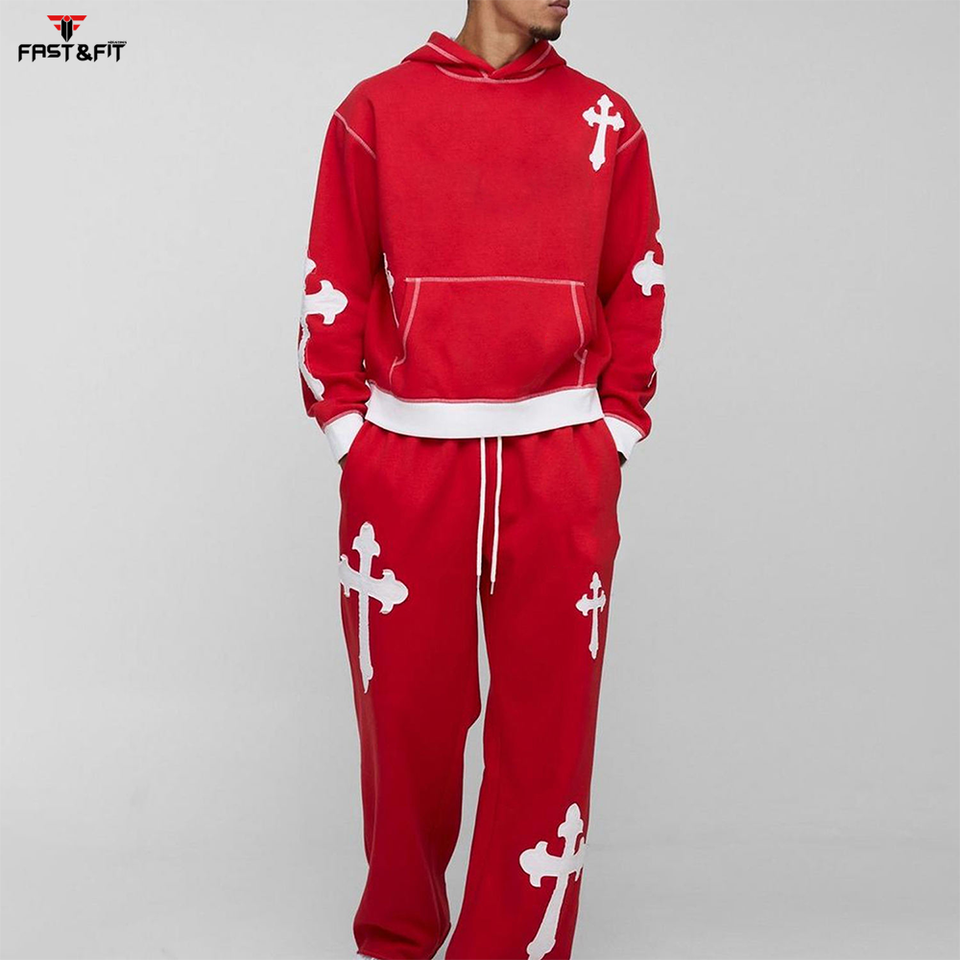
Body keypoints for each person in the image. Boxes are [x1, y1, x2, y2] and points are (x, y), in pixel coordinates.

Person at [297, 1, 665, 957]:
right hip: (410, 463)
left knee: (549, 733)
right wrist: (348, 431)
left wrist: (615, 430)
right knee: (406, 724)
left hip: (561, 461)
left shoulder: (606, 119)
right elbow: (334, 272)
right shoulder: (375, 111)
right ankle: (400, 937)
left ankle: (511, 948)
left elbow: (638, 277)